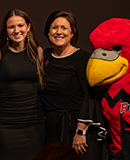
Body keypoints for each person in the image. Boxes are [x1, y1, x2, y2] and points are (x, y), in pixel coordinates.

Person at [40, 10, 105, 160]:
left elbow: (90, 97)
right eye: (54, 27)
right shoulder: (45, 56)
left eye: (64, 28)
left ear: (72, 33)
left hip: (78, 130)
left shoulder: (82, 59)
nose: (59, 32)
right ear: (48, 31)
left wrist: (80, 132)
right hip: (52, 131)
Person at [0, 9, 46, 160]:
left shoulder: (38, 52)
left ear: (28, 27)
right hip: (6, 126)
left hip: (34, 125)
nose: (16, 30)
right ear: (6, 30)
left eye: (20, 25)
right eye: (11, 27)